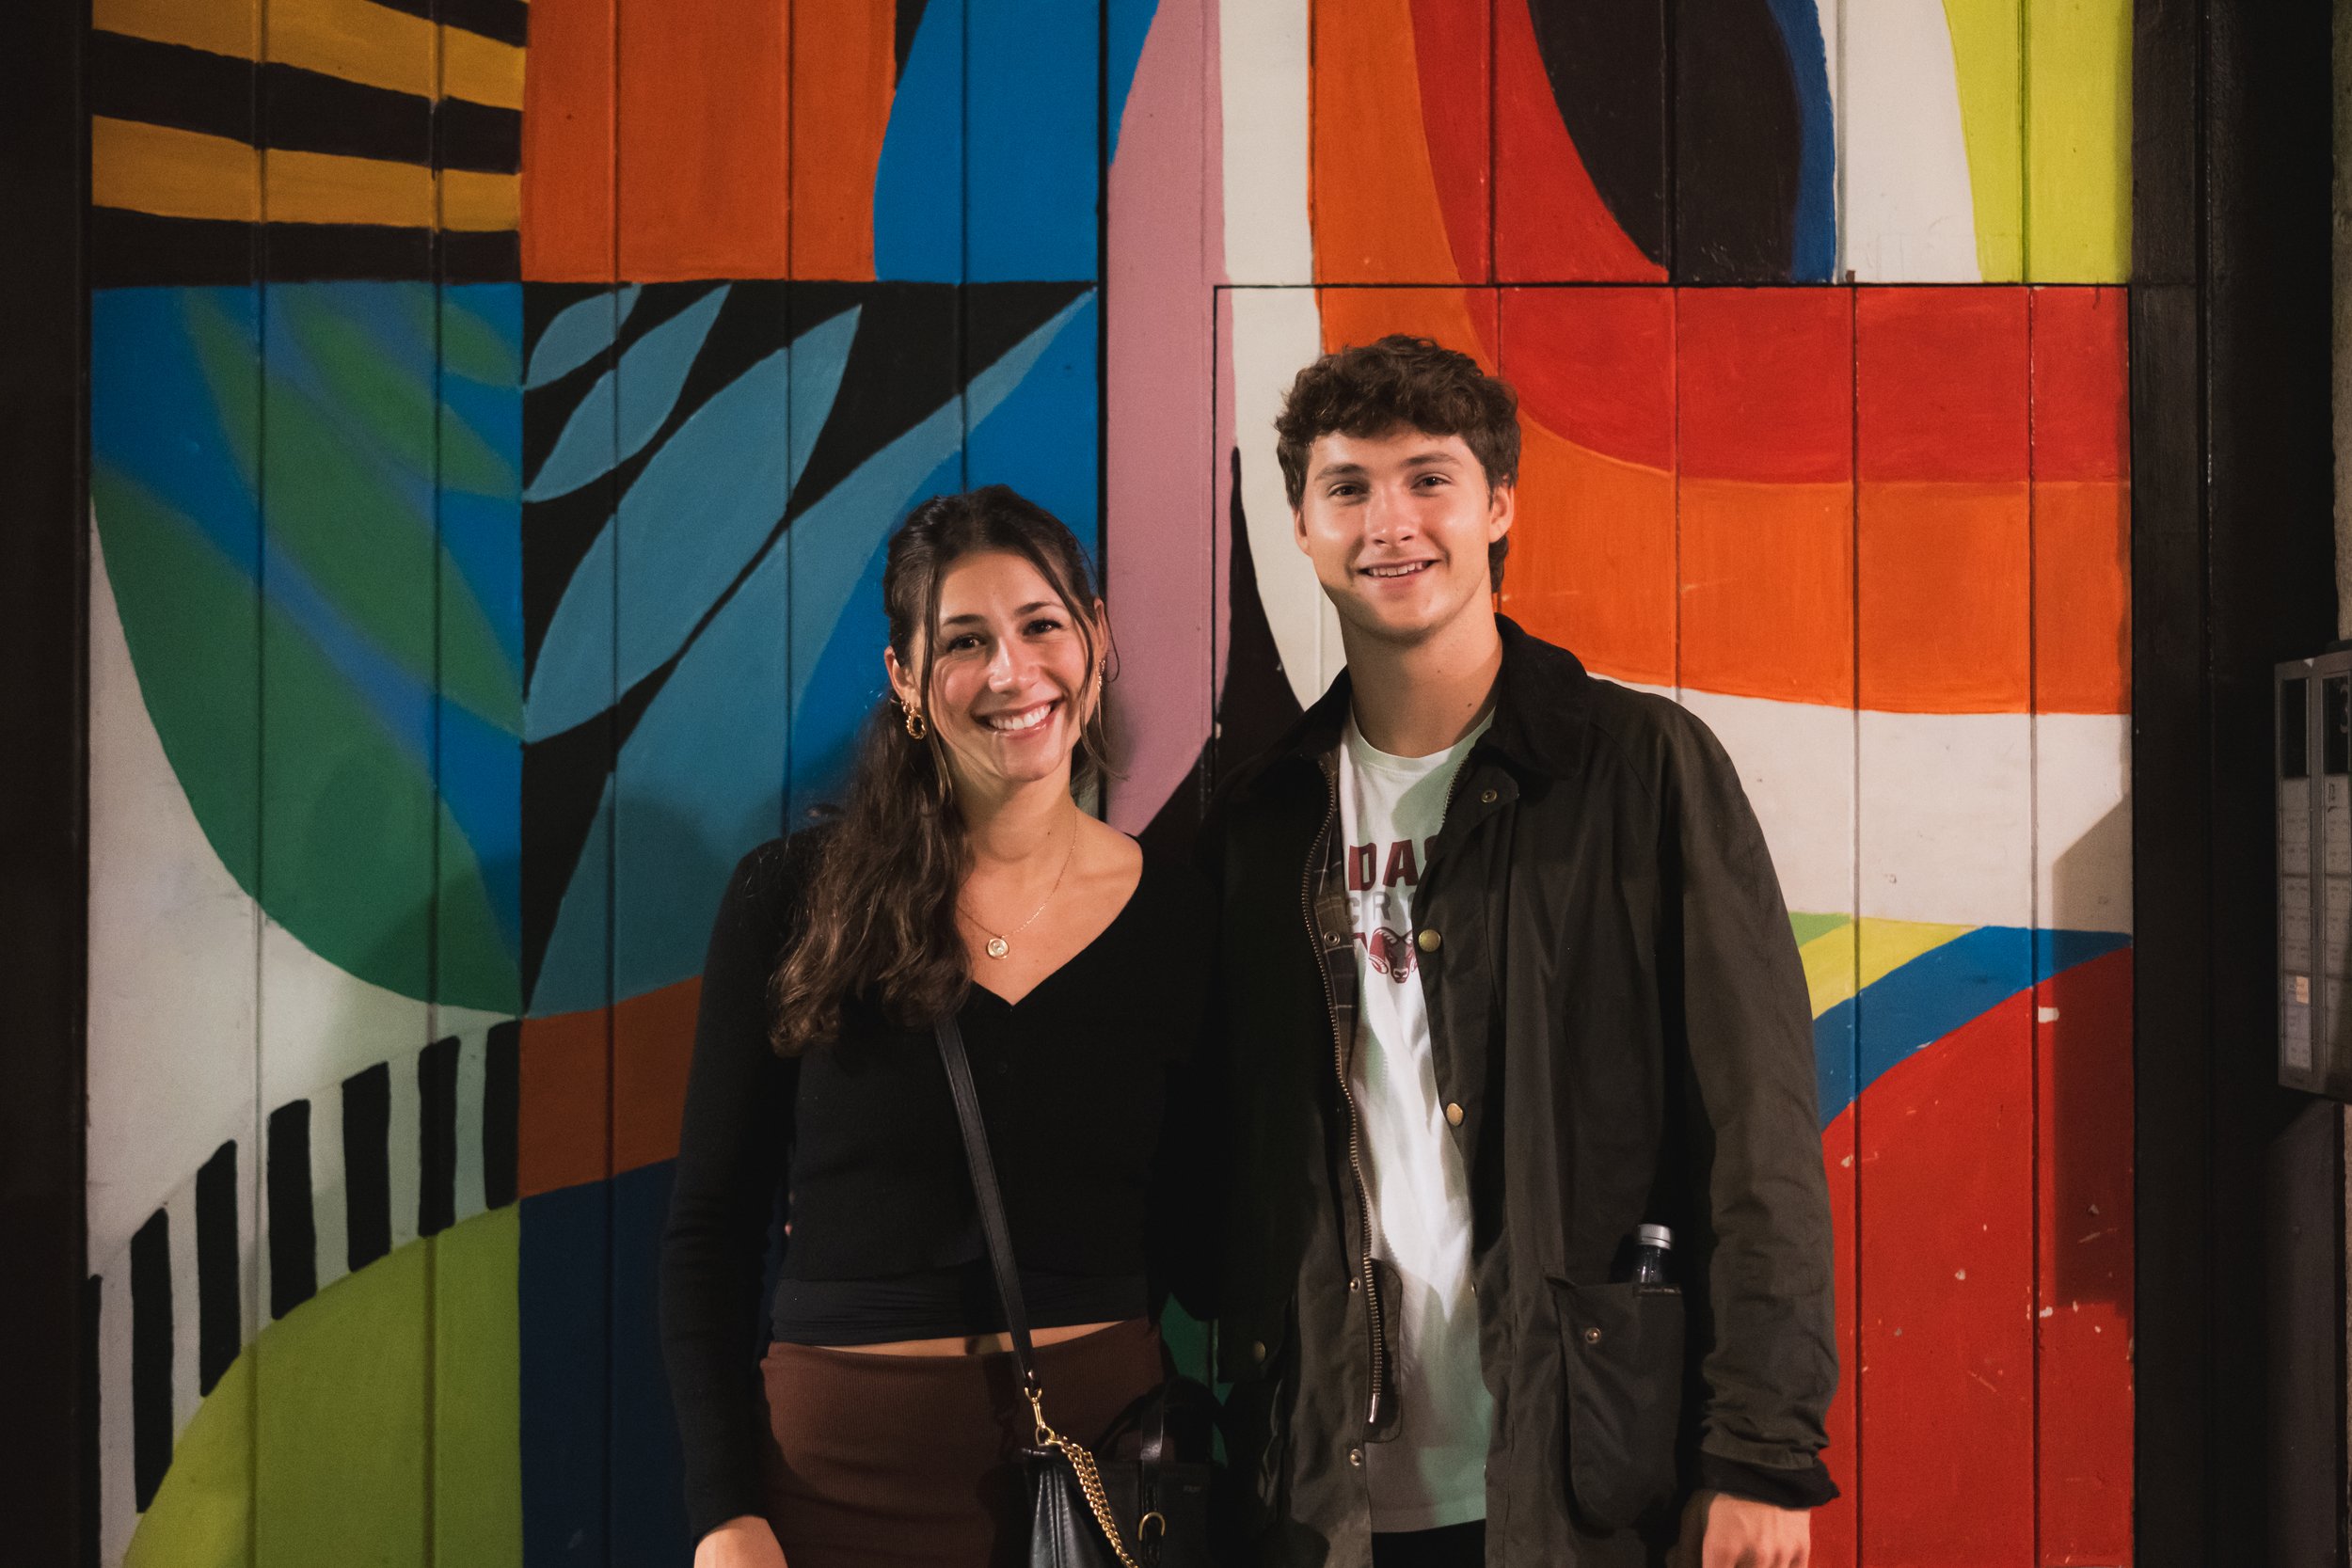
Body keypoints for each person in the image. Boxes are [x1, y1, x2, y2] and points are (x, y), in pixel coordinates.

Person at [1199, 336, 1837, 1568]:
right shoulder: (1262, 818)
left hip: (1585, 1471)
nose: (1390, 521)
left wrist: (1761, 1449)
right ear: (1303, 528)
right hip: (1321, 1490)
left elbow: (1755, 1128)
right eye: (1348, 487)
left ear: (1497, 505)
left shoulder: (1641, 767)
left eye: (1428, 478)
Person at [660, 485, 1216, 1568]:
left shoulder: (1183, 916)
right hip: (832, 1494)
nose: (1012, 670)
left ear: (1095, 637)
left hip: (1103, 1490)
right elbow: (709, 1233)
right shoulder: (790, 898)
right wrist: (723, 1513)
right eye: (964, 640)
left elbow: (1209, 1237)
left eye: (1041, 624)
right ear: (907, 679)